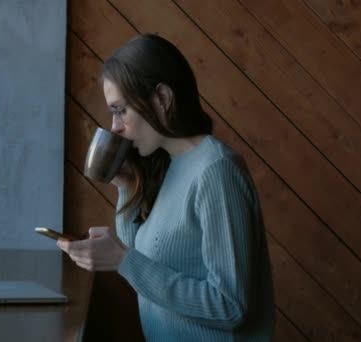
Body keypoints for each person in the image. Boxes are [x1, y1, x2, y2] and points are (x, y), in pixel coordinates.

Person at [57, 33, 275, 341]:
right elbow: (145, 276)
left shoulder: (215, 171)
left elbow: (230, 307)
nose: (115, 126)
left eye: (120, 110)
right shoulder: (170, 166)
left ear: (162, 98)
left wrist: (122, 259)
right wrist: (127, 186)